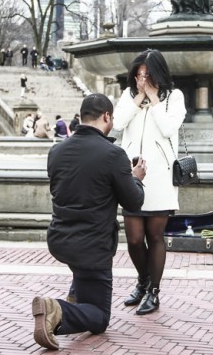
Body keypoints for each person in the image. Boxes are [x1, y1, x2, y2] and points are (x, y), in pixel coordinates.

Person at [32, 93, 146, 350]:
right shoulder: (113, 154)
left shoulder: (56, 151)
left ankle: (75, 293)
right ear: (107, 116)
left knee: (83, 276)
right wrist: (135, 177)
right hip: (93, 246)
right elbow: (133, 202)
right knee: (99, 317)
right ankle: (56, 309)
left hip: (61, 239)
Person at [113, 49, 187, 315]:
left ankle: (153, 292)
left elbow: (168, 128)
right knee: (133, 239)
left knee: (155, 236)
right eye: (138, 74)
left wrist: (154, 99)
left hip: (160, 178)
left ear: (158, 74)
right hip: (131, 176)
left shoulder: (174, 98)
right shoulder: (128, 96)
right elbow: (118, 123)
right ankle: (143, 281)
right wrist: (139, 98)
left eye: (147, 74)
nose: (142, 79)